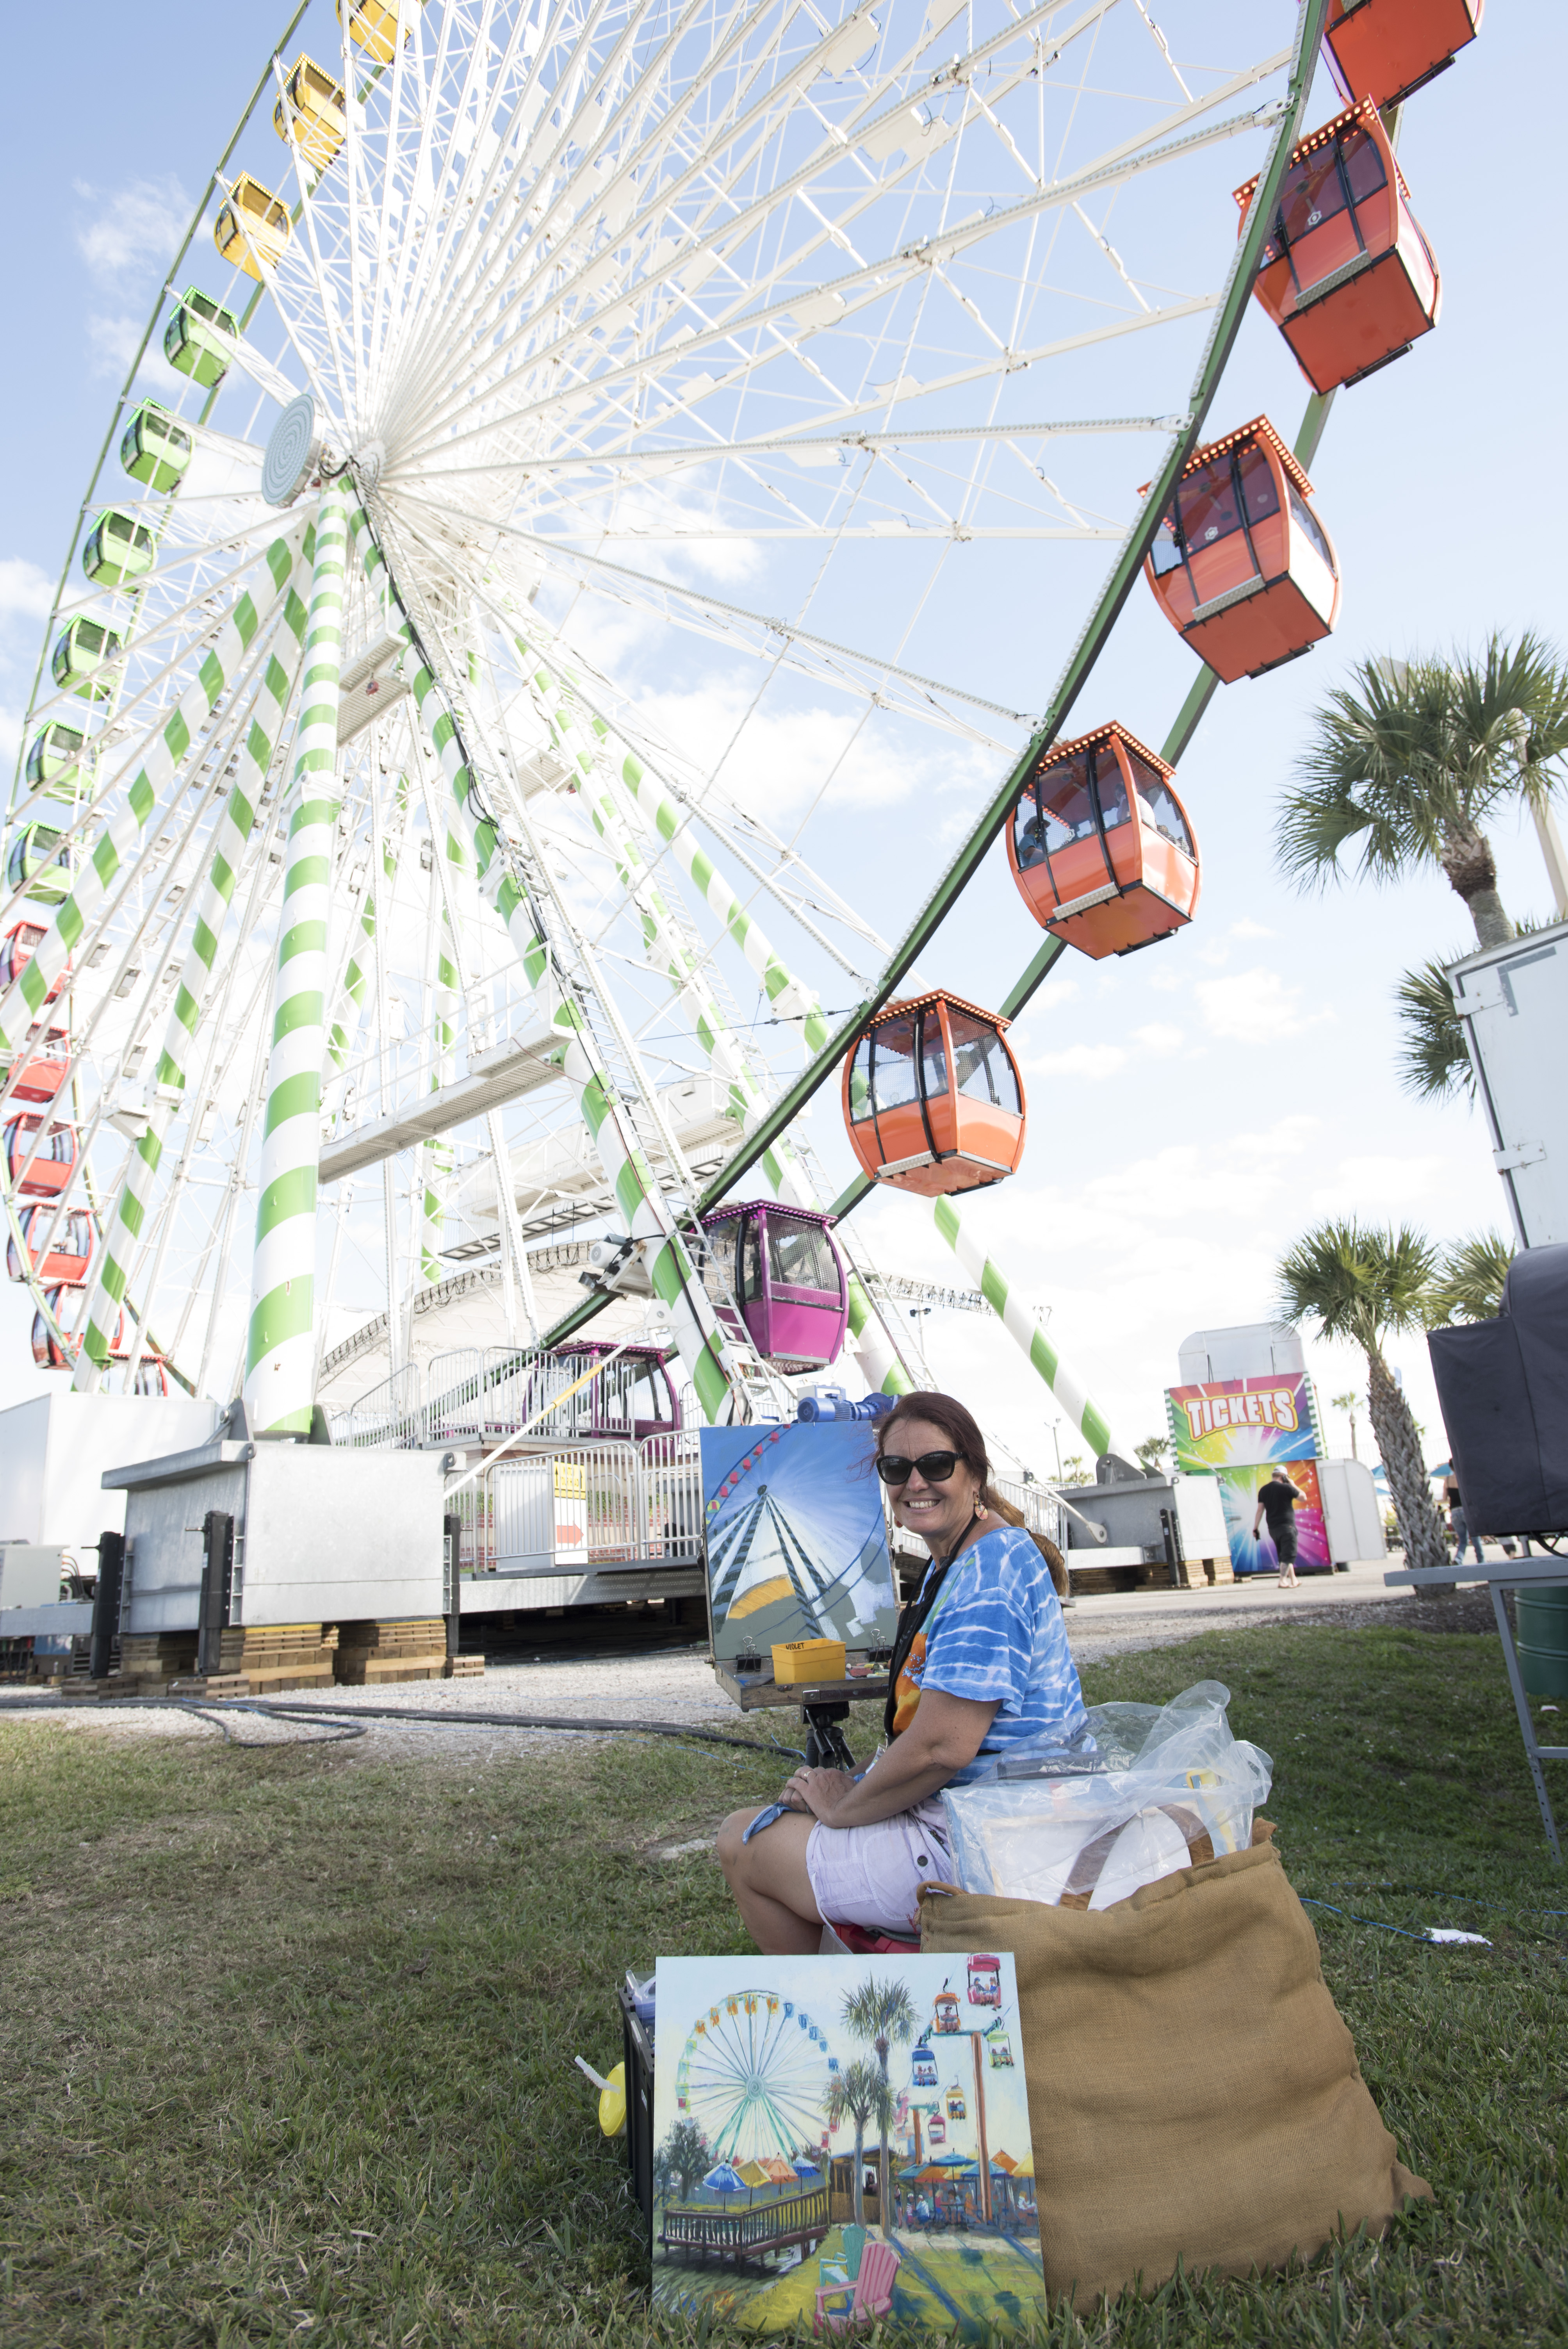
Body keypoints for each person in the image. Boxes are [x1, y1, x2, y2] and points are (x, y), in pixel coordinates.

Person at [716, 1390, 1087, 1954]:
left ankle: (832, 2021)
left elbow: (943, 1747)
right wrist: (850, 1782)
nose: (916, 1483)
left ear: (975, 1475)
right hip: (984, 1818)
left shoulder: (990, 1567)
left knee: (741, 1843)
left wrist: (842, 1807)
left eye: (936, 1465)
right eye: (896, 1468)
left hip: (996, 1845)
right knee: (787, 1816)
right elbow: (920, 1733)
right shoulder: (956, 1562)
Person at [1252, 1466, 1302, 1587]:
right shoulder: (1287, 1488)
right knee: (1289, 1554)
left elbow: (1260, 1510)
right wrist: (1293, 1484)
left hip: (1273, 1529)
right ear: (1284, 1477)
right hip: (1287, 1527)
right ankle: (1283, 1580)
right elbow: (1303, 1498)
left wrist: (1256, 1528)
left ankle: (1294, 1580)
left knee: (1284, 1554)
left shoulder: (1264, 1490)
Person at [1447, 1482, 1484, 1569]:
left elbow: (1445, 1498)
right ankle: (1481, 1561)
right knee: (1475, 1537)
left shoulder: (1448, 1480)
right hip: (1466, 1509)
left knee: (1463, 1540)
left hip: (1454, 1512)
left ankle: (1458, 1559)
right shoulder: (1461, 1476)